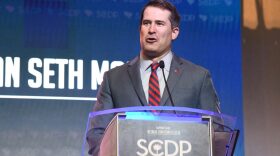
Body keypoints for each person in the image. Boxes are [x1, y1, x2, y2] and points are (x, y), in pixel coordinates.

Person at [86, 0, 220, 155]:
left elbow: (216, 134)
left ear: (174, 32)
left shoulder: (198, 78)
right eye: (146, 23)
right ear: (140, 29)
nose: (151, 30)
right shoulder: (114, 79)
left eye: (160, 24)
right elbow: (96, 136)